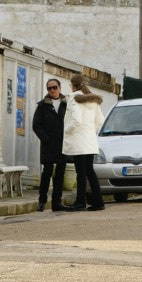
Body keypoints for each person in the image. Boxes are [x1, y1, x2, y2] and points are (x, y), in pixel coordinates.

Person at [63, 73, 105, 211]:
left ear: (73, 85)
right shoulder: (93, 100)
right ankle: (98, 202)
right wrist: (90, 133)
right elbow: (100, 121)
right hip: (90, 141)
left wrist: (66, 131)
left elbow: (76, 121)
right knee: (89, 172)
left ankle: (80, 202)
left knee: (80, 173)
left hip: (79, 141)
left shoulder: (74, 98)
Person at [32, 78, 69, 212]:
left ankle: (57, 202)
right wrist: (45, 138)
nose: (52, 90)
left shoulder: (67, 104)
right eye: (49, 88)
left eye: (55, 87)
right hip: (48, 145)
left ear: (59, 87)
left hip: (63, 145)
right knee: (47, 173)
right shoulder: (43, 105)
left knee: (60, 174)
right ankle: (42, 201)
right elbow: (36, 125)